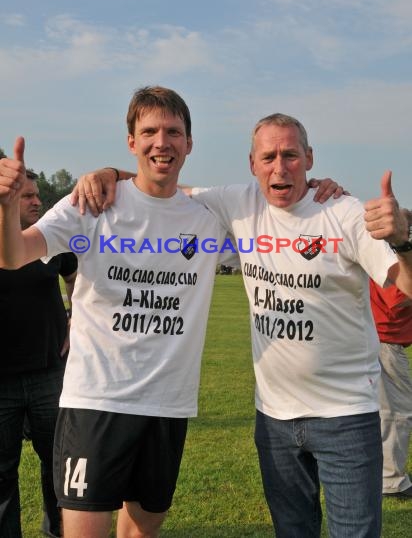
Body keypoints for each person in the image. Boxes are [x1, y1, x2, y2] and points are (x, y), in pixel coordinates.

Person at [0, 88, 343, 538]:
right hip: (96, 401)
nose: (162, 142)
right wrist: (6, 207)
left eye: (173, 132)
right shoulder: (92, 203)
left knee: (142, 532)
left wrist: (322, 191)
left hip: (167, 405)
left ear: (189, 143)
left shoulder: (208, 213)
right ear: (130, 141)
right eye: (149, 132)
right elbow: (14, 255)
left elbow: (279, 200)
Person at [76, 111, 412, 537]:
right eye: (268, 156)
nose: (280, 166)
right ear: (252, 165)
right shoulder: (235, 203)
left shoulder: (341, 211)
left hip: (346, 416)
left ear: (309, 158)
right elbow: (160, 180)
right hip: (273, 418)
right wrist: (109, 173)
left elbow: (405, 283)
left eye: (290, 155)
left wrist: (402, 241)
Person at [0, 169, 77, 538]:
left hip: (50, 375)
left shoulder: (52, 239)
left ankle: (57, 532)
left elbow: (74, 276)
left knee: (57, 464)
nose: (37, 201)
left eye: (37, 195)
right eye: (26, 196)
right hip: (2, 382)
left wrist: (76, 315)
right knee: (1, 472)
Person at [370, 265, 412, 499]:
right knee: (396, 411)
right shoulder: (394, 256)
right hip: (384, 342)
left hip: (377, 339)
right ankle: (391, 480)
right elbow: (397, 297)